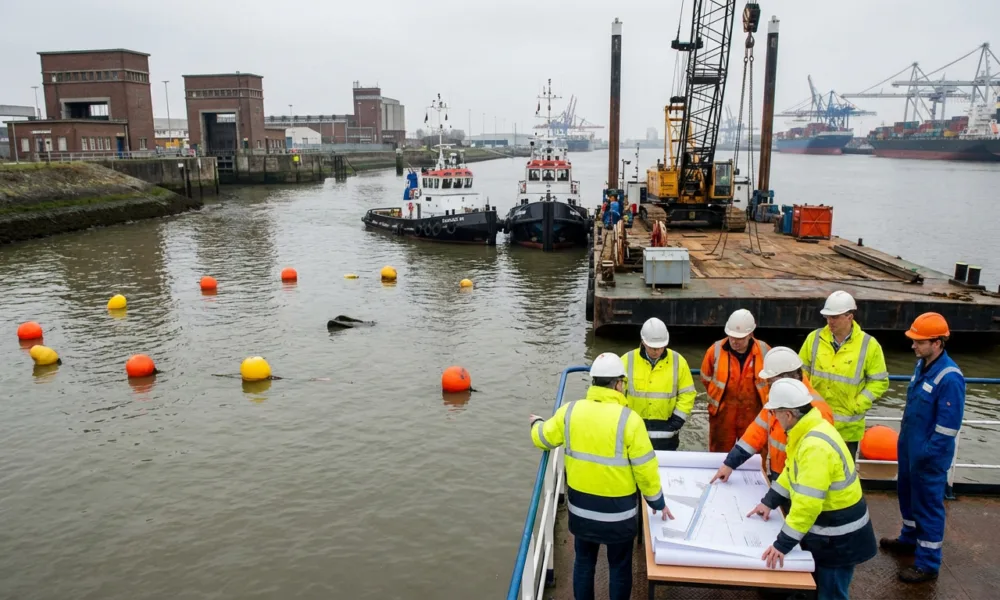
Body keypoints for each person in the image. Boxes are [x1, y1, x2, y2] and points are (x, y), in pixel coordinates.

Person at [530, 352, 673, 600]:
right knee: (619, 567)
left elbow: (542, 438)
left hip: (581, 513)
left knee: (584, 563)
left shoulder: (570, 411)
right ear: (618, 384)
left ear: (593, 381)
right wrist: (657, 502)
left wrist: (536, 423)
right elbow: (646, 470)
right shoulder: (630, 420)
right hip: (619, 516)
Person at [747, 378, 877, 600]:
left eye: (775, 413)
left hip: (838, 537)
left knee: (831, 592)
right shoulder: (809, 430)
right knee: (820, 587)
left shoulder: (814, 446)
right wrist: (769, 502)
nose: (774, 418)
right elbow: (791, 472)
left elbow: (807, 505)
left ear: (788, 414)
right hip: (833, 531)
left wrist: (782, 545)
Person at [879, 313, 965, 583]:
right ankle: (909, 539)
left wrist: (928, 454)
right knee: (906, 496)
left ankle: (928, 563)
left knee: (928, 506)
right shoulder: (922, 365)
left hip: (928, 457)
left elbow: (948, 427)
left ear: (937, 343)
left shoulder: (950, 378)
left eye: (919, 341)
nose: (913, 345)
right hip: (909, 448)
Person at [711, 346, 834, 483]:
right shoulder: (777, 398)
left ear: (786, 378)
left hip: (801, 479)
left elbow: (818, 462)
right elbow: (755, 433)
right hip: (780, 475)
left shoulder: (818, 410)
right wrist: (729, 463)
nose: (768, 385)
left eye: (770, 381)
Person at [798, 290, 889, 458]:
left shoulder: (869, 345)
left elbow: (879, 382)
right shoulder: (814, 339)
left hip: (848, 430)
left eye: (835, 317)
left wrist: (858, 404)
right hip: (815, 421)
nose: (830, 321)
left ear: (849, 317)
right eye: (827, 317)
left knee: (843, 471)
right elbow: (800, 374)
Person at [621, 318, 697, 451]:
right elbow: (615, 393)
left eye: (660, 347)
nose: (656, 351)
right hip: (633, 430)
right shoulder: (626, 360)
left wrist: (677, 420)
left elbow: (688, 393)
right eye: (652, 347)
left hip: (667, 432)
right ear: (643, 342)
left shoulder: (678, 361)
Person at [701, 309, 770, 452]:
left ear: (750, 334)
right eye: (731, 336)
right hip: (723, 415)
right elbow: (705, 378)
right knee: (720, 454)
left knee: (754, 454)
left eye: (740, 338)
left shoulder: (765, 351)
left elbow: (773, 381)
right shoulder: (715, 351)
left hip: (755, 414)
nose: (734, 341)